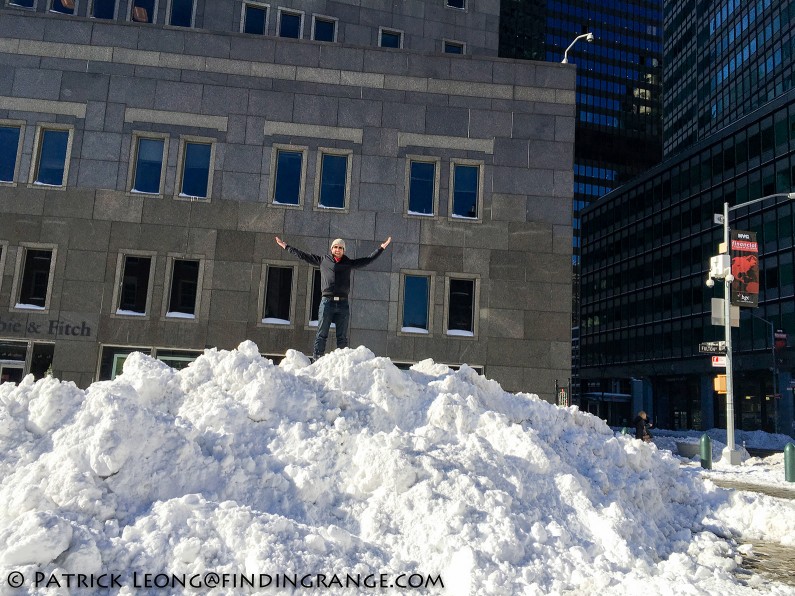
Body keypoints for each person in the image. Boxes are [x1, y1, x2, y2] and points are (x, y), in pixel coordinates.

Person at [275, 235, 392, 361]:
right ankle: (317, 359)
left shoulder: (348, 263)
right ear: (332, 249)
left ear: (343, 250)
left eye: (341, 248)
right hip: (327, 303)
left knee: (342, 337)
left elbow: (368, 260)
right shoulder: (323, 260)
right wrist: (286, 246)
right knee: (321, 334)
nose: (338, 249)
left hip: (343, 304)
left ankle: (342, 362)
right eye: (336, 247)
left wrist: (381, 248)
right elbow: (303, 255)